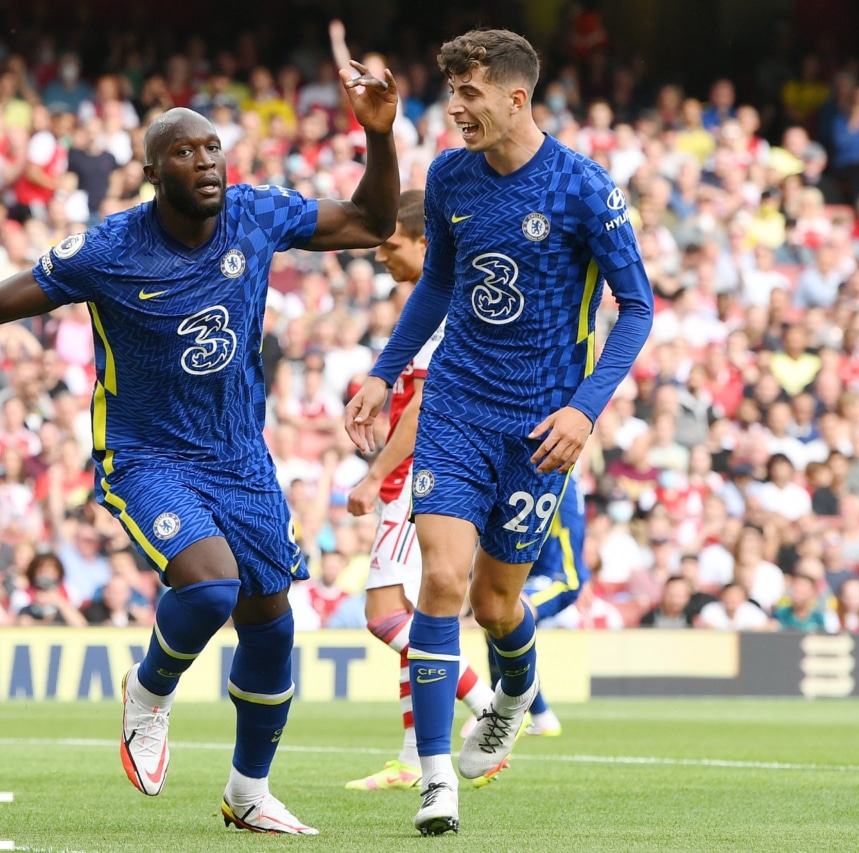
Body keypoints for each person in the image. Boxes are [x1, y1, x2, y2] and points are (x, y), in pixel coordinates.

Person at [0, 63, 400, 835]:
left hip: (239, 455)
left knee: (272, 620)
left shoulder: (255, 215)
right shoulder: (108, 249)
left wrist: (380, 135)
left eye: (213, 148)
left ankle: (248, 791)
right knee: (212, 588)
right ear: (153, 173)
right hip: (146, 454)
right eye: (185, 152)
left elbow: (371, 222)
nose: (207, 162)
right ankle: (149, 691)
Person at [345, 29, 653, 836]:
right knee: (443, 579)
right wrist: (385, 371)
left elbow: (637, 308)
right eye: (451, 92)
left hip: (541, 426)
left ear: (517, 98)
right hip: (456, 408)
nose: (455, 107)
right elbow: (438, 282)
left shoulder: (584, 188)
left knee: (495, 603)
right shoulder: (450, 176)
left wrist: (585, 408)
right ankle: (435, 778)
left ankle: (514, 693)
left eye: (469, 93)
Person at [344, 189, 494, 793]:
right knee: (410, 617)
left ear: (425, 243)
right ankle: (412, 758)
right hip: (416, 475)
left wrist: (375, 474)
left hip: (419, 476)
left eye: (390, 244)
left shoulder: (445, 304)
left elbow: (429, 400)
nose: (380, 255)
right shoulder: (430, 302)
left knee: (385, 616)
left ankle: (489, 706)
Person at [497, 478, 591, 740]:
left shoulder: (558, 475)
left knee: (506, 614)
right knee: (495, 616)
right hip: (534, 576)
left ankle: (505, 710)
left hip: (561, 578)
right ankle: (538, 714)